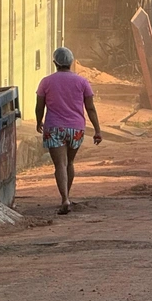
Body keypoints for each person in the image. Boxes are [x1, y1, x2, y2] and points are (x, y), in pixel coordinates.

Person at [36, 47, 102, 215]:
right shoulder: (82, 82)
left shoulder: (46, 81)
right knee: (70, 163)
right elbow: (90, 108)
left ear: (55, 63)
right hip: (76, 129)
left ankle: (64, 198)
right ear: (71, 63)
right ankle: (67, 196)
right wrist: (97, 130)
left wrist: (38, 121)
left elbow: (39, 106)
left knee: (60, 164)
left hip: (54, 127)